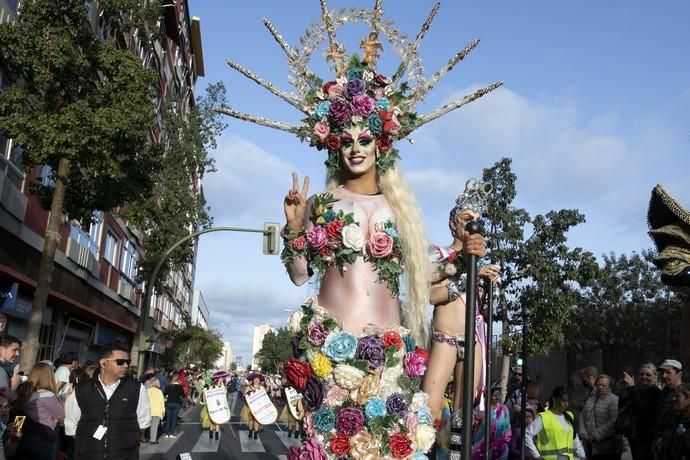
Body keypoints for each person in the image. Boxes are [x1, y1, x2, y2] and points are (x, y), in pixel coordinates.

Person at [64, 343, 151, 460]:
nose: (125, 365)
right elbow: (71, 425)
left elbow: (143, 424)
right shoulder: (81, 390)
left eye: (128, 362)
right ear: (103, 363)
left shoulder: (136, 389)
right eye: (120, 362)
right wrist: (90, 444)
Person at [12, 362, 64, 460]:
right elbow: (61, 414)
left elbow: (18, 416)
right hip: (45, 439)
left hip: (25, 437)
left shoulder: (24, 393)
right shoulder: (48, 396)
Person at [525, 386, 587, 460]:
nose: (566, 404)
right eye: (563, 401)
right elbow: (527, 433)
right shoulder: (544, 417)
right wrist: (537, 456)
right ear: (554, 399)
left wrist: (582, 455)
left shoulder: (569, 416)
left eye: (568, 401)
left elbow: (574, 438)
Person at [618, 363, 662, 460]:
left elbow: (640, 410)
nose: (644, 377)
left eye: (648, 375)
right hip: (634, 437)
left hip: (647, 439)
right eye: (641, 374)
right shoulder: (638, 391)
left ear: (655, 377)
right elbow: (622, 409)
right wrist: (624, 392)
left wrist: (631, 388)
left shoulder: (656, 393)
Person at [580, 374, 621, 460]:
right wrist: (583, 432)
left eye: (603, 385)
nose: (600, 387)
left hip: (608, 446)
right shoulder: (592, 398)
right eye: (598, 385)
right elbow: (582, 415)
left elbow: (614, 421)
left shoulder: (614, 400)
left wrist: (595, 435)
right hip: (590, 445)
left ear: (610, 387)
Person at [471, 386, 511, 459]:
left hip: (498, 446)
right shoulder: (481, 408)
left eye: (499, 395)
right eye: (495, 395)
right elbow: (472, 423)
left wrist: (505, 441)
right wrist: (477, 417)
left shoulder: (504, 409)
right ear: (489, 395)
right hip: (481, 444)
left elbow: (507, 427)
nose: (497, 398)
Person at [656, 383, 690, 459]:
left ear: (688, 398)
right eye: (673, 395)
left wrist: (665, 439)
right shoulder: (676, 416)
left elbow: (686, 442)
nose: (673, 399)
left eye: (677, 396)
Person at [240, 372, 265, 440]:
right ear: (253, 380)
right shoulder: (249, 386)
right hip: (250, 407)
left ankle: (256, 434)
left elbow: (265, 397)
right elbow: (244, 395)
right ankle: (250, 431)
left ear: (260, 380)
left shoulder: (262, 388)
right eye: (255, 379)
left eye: (258, 379)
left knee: (256, 420)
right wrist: (248, 391)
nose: (257, 380)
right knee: (251, 420)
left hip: (258, 406)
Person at [162, 373, 184, 438]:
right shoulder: (180, 387)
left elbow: (164, 394)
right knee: (174, 418)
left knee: (168, 418)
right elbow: (183, 395)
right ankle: (172, 433)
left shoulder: (168, 386)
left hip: (169, 403)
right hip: (177, 403)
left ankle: (167, 433)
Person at [146, 375, 165, 444]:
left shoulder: (147, 390)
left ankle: (147, 437)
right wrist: (163, 411)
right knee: (154, 426)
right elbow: (162, 402)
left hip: (149, 410)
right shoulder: (159, 392)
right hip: (157, 410)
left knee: (148, 425)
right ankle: (153, 439)